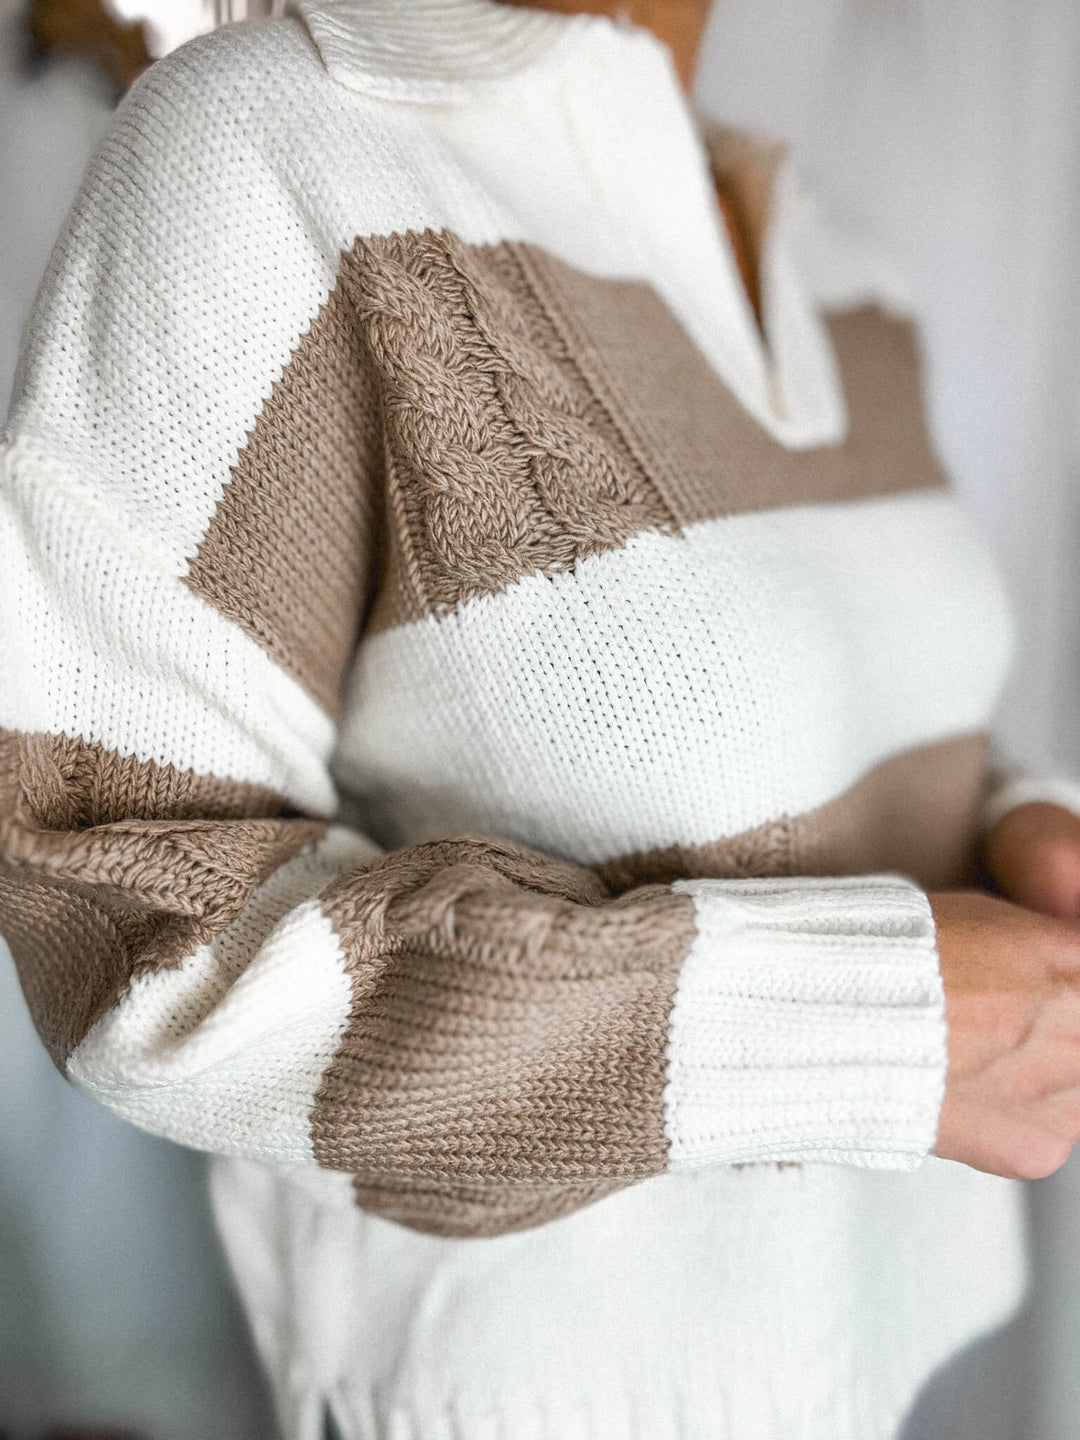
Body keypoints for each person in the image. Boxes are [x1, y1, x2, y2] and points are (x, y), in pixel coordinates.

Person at [5, 0, 1080, 1436]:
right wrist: (884, 1031)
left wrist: (1018, 813)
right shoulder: (272, 141)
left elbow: (820, 699)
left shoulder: (833, 256)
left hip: (910, 1345)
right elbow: (134, 933)